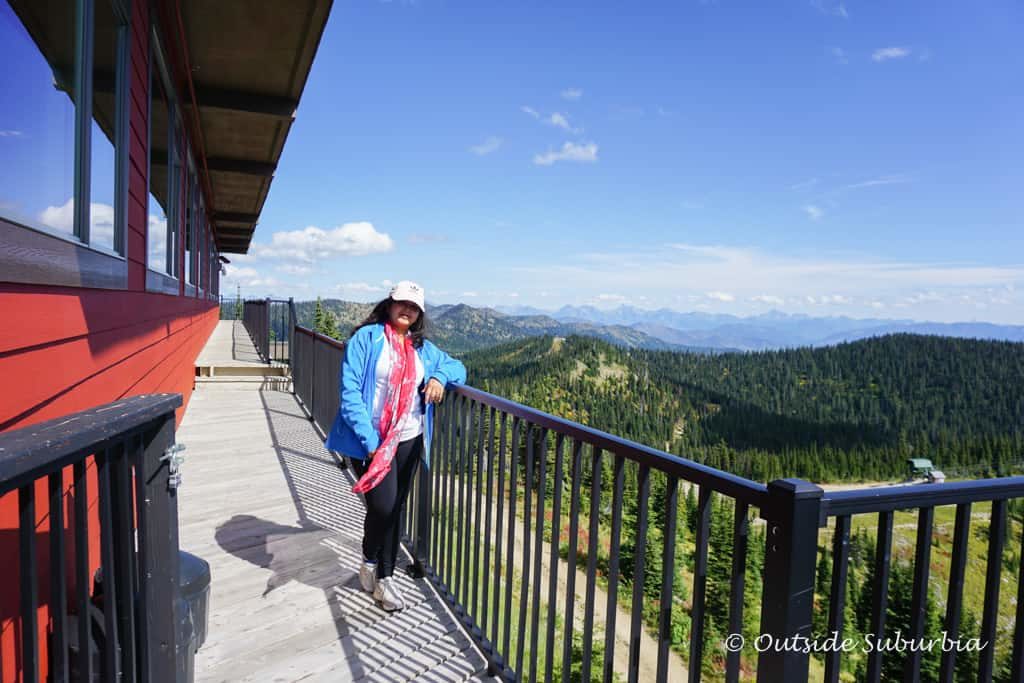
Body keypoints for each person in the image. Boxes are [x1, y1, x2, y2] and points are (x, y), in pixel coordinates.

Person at [326, 281, 466, 611]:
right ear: (389, 304)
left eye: (414, 307)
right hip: (371, 441)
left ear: (419, 315)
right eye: (402, 302)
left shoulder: (422, 348)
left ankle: (384, 579)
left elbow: (458, 367)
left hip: (410, 438)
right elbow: (349, 395)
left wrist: (439, 377)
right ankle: (371, 561)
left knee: (394, 508)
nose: (407, 310)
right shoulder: (366, 339)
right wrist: (372, 444)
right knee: (384, 507)